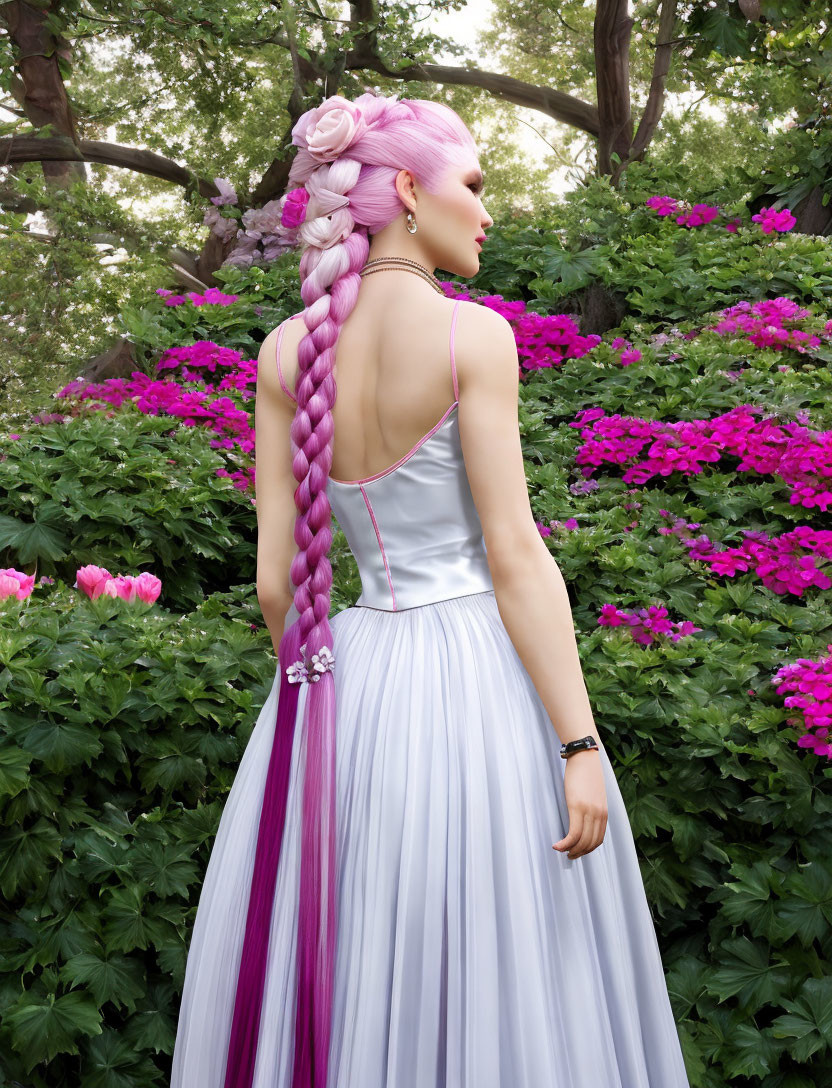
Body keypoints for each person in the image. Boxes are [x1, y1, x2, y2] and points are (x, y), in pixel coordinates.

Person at [170, 91, 691, 1088]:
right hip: (474, 680)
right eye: (474, 185)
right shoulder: (471, 338)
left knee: (353, 946)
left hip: (343, 682)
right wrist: (579, 743)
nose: (486, 212)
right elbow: (514, 553)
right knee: (503, 953)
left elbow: (276, 581)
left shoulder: (285, 351)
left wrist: (315, 693)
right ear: (407, 191)